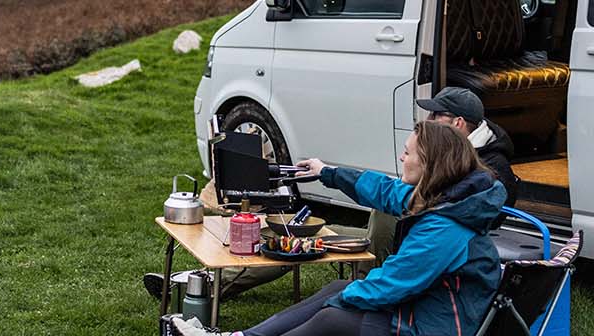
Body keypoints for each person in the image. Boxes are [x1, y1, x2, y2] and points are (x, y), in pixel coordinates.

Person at [168, 121, 508, 336]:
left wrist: (346, 298)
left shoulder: (445, 229)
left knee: (332, 317)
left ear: (432, 164)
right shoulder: (450, 198)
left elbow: (391, 286)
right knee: (336, 292)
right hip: (428, 318)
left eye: (408, 153)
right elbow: (386, 190)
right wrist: (326, 172)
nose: (402, 158)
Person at [141, 87, 519, 299]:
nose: (426, 125)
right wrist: (328, 173)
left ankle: (207, 289)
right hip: (397, 238)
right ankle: (207, 285)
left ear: (456, 124)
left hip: (420, 254)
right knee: (290, 239)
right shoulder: (450, 155)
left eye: (435, 118)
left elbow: (456, 223)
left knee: (300, 245)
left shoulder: (490, 171)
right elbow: (394, 194)